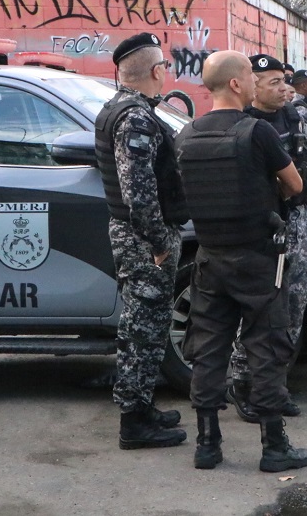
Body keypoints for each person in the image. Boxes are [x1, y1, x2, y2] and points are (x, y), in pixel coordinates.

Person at [175, 50, 307, 473]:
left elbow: (180, 197)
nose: (257, 82)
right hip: (256, 258)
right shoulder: (257, 132)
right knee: (265, 348)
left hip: (209, 259)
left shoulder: (186, 135)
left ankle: (207, 444)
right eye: (252, 76)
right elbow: (295, 185)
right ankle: (274, 446)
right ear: (235, 84)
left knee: (208, 350)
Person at [94, 32, 189, 450]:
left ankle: (142, 405)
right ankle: (134, 420)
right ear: (155, 70)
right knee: (143, 329)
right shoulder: (135, 117)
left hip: (134, 235)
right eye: (165, 65)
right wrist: (158, 242)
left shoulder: (119, 108)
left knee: (147, 326)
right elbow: (139, 191)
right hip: (143, 239)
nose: (166, 71)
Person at [226, 54, 307, 424]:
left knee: (294, 303)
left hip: (295, 221)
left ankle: (276, 386)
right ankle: (243, 384)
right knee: (255, 306)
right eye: (274, 82)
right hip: (259, 225)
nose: (285, 88)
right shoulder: (242, 124)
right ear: (252, 85)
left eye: (285, 80)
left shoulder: (298, 116)